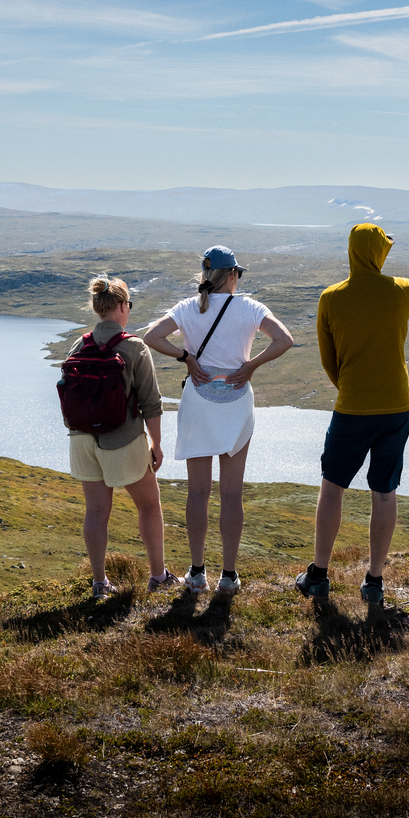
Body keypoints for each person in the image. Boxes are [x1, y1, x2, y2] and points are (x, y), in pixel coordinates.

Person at [294, 224, 409, 609]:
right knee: (384, 493)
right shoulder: (400, 289)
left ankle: (318, 576)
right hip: (398, 408)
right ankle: (374, 580)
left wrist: (350, 389)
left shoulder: (331, 298)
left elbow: (329, 360)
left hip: (351, 408)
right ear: (378, 254)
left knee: (332, 488)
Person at [142, 246, 294, 595]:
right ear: (231, 275)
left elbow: (151, 336)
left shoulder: (188, 307)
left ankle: (197, 572)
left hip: (198, 399)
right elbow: (284, 340)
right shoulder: (250, 308)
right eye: (237, 273)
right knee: (231, 493)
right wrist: (251, 366)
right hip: (237, 400)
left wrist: (187, 357)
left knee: (197, 492)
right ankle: (228, 575)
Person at [65, 275, 177, 598]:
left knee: (96, 511)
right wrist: (156, 444)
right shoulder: (134, 347)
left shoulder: (79, 344)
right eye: (129, 304)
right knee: (149, 505)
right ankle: (158, 576)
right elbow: (151, 403)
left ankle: (100, 583)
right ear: (121, 307)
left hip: (82, 441)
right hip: (122, 441)